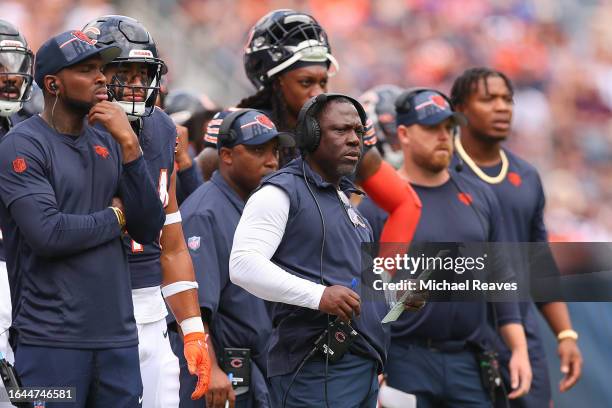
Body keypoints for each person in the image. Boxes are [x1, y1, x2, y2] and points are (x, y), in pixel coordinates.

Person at [0, 29, 165, 406]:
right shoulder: (21, 145)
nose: (102, 78)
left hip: (117, 340)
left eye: (101, 68)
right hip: (48, 342)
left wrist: (130, 145)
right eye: (87, 69)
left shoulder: (111, 138)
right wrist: (114, 218)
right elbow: (49, 233)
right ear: (54, 83)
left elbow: (148, 226)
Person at [358, 88, 532, 407]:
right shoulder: (375, 206)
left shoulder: (480, 196)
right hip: (403, 359)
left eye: (448, 127)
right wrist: (374, 360)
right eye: (432, 127)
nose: (443, 136)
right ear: (404, 134)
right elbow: (366, 294)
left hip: (468, 358)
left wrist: (519, 349)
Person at [196, 9, 421, 245]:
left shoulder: (342, 126)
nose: (317, 93)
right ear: (277, 81)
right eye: (306, 82)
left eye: (323, 82)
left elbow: (405, 204)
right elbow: (193, 200)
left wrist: (383, 275)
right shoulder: (241, 127)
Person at [83, 15, 211, 406]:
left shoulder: (163, 130)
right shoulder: (68, 129)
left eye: (144, 74)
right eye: (125, 73)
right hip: (81, 306)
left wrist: (192, 329)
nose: (137, 86)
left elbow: (172, 241)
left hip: (148, 306)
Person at [230, 94, 387, 407]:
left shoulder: (343, 197)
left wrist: (395, 293)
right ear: (311, 136)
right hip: (315, 369)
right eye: (341, 130)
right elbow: (243, 265)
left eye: (358, 131)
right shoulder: (280, 192)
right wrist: (318, 296)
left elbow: (353, 275)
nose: (354, 140)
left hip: (360, 367)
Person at [450, 67, 583, 407]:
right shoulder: (441, 170)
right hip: (456, 340)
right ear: (461, 109)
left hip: (521, 333)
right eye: (488, 99)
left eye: (507, 99)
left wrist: (565, 334)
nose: (502, 107)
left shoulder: (526, 175)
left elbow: (538, 261)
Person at [173, 109, 294, 408]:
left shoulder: (254, 206)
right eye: (258, 150)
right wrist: (209, 369)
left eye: (274, 151)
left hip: (254, 368)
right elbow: (192, 309)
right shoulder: (206, 213)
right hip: (220, 372)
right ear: (226, 155)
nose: (271, 161)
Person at [0, 20, 34, 378]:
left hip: (21, 267)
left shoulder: (25, 128)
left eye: (14, 65)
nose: (11, 76)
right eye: (1, 67)